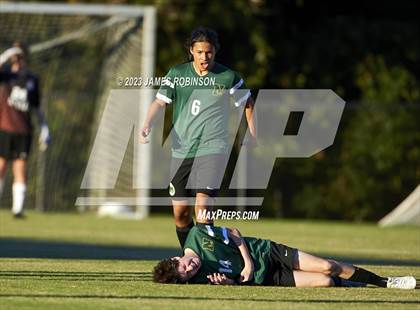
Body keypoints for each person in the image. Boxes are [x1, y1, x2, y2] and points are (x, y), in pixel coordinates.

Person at [139, 27, 256, 248]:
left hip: (213, 149)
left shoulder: (227, 76)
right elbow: (160, 102)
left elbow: (248, 103)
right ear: (191, 51)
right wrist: (147, 123)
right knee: (181, 214)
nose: (205, 57)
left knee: (203, 211)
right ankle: (190, 254)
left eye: (209, 52)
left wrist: (252, 134)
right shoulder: (177, 74)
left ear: (215, 52)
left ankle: (206, 260)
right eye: (200, 52)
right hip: (182, 150)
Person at [153, 225, 418, 289]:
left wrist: (247, 262)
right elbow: (234, 284)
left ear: (177, 258)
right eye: (188, 273)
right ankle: (358, 284)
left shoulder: (198, 235)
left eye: (186, 265)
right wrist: (228, 284)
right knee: (324, 283)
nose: (191, 267)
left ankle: (386, 282)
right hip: (265, 278)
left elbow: (234, 233)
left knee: (328, 266)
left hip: (267, 252)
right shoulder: (198, 279)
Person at [0, 43, 50, 218]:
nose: (17, 59)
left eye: (20, 55)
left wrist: (44, 128)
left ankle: (18, 210)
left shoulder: (32, 79)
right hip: (5, 127)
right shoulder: (6, 75)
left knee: (20, 169)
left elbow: (37, 107)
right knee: (0, 166)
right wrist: (4, 56)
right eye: (15, 56)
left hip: (24, 130)